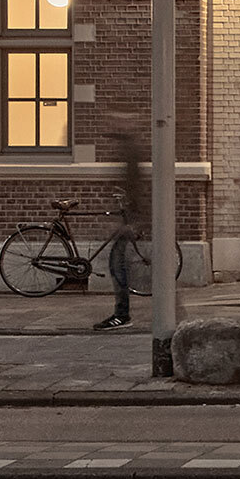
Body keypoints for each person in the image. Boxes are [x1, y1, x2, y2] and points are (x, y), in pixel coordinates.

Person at [94, 130, 147, 330]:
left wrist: (130, 220)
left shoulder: (130, 152)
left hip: (129, 219)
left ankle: (122, 314)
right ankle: (122, 313)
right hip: (128, 218)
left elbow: (134, 187)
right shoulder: (126, 150)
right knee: (117, 264)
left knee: (118, 265)